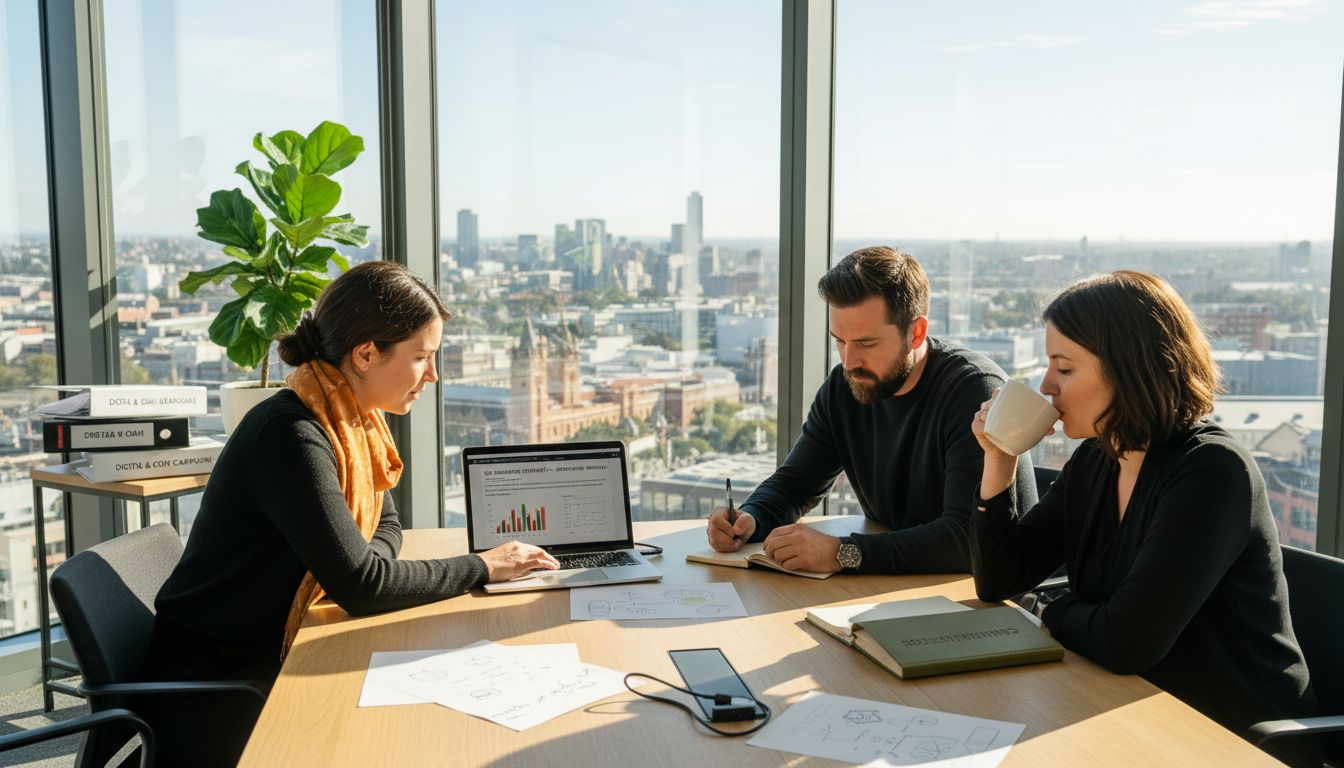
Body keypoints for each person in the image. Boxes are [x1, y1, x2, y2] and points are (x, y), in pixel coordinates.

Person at [140, 261, 560, 767]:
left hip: (270, 653)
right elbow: (363, 586)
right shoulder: (293, 434)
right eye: (422, 357)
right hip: (221, 687)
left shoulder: (350, 418)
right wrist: (484, 566)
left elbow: (385, 527)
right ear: (365, 354)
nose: (433, 374)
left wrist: (362, 566)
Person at [969, 270, 1318, 766]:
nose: (1046, 385)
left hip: (1233, 737)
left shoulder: (1212, 472)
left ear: (1130, 370)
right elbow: (999, 579)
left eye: (1064, 369)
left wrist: (1045, 609)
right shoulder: (1097, 458)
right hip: (1126, 706)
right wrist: (999, 460)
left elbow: (1124, 642)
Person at [706, 246, 1037, 574]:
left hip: (980, 599)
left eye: (866, 344)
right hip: (901, 586)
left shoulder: (972, 392)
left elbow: (967, 539)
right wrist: (751, 518)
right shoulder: (847, 385)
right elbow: (795, 484)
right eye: (839, 340)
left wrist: (843, 553)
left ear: (916, 332)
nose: (849, 362)